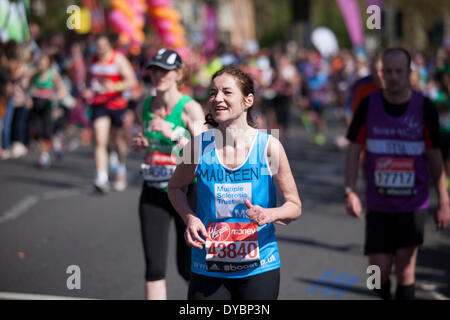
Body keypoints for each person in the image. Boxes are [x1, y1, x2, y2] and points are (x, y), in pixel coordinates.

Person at [167, 66, 302, 300]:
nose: (217, 98)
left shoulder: (269, 147)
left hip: (259, 266)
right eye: (212, 93)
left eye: (226, 92)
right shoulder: (198, 146)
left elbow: (294, 206)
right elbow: (175, 187)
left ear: (248, 100)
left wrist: (269, 215)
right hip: (208, 265)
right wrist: (189, 216)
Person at [345, 48, 450, 300]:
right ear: (380, 73)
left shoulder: (424, 107)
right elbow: (353, 149)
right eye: (387, 71)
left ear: (409, 73)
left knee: (405, 268)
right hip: (378, 205)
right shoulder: (368, 105)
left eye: (398, 71)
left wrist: (444, 201)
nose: (392, 77)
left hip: (413, 203)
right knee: (376, 271)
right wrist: (349, 191)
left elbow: (435, 157)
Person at [132, 48, 205, 300]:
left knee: (187, 267)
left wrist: (173, 132)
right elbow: (151, 144)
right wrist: (143, 143)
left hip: (186, 194)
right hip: (153, 190)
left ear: (178, 73)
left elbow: (205, 153)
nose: (158, 75)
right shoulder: (145, 105)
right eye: (154, 70)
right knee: (154, 268)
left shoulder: (190, 109)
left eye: (165, 70)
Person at [85, 35, 137, 192]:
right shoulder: (93, 59)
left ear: (109, 46)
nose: (99, 49)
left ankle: (121, 168)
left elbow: (132, 81)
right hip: (99, 104)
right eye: (97, 46)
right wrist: (88, 89)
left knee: (118, 140)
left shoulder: (118, 59)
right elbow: (88, 80)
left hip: (116, 104)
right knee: (100, 140)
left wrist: (115, 86)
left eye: (102, 46)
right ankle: (102, 178)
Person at [28, 54, 67, 167]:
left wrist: (54, 97)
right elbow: (29, 88)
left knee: (47, 132)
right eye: (40, 63)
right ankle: (44, 155)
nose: (41, 66)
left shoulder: (53, 75)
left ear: (48, 64)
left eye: (43, 63)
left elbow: (62, 90)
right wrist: (30, 97)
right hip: (37, 106)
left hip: (48, 107)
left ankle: (56, 144)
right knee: (38, 131)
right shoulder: (35, 75)